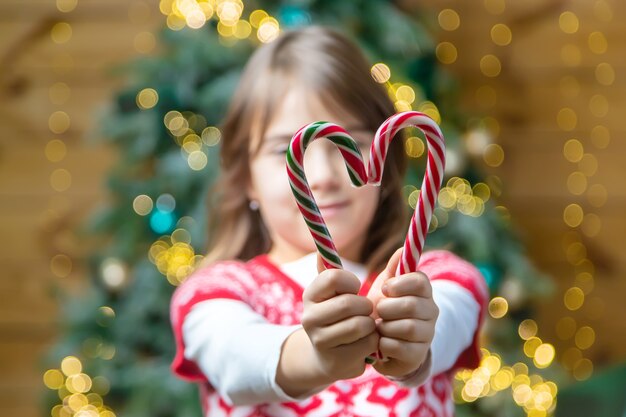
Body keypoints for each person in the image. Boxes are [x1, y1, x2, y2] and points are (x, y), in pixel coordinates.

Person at [170, 26, 488, 417]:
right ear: (245, 178)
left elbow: (449, 320)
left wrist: (416, 343)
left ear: (384, 163)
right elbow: (234, 358)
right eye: (285, 151)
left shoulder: (433, 279)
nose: (321, 175)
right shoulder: (219, 293)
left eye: (349, 143)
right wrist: (316, 358)